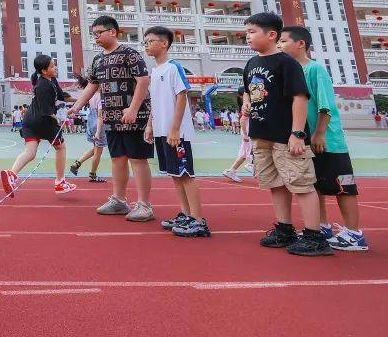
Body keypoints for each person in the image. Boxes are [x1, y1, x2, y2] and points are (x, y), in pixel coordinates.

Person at [241, 12, 329, 257]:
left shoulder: (286, 63)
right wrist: (246, 102)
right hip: (262, 134)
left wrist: (297, 133)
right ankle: (284, 228)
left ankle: (314, 235)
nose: (247, 36)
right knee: (275, 183)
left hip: (286, 135)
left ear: (271, 35)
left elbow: (299, 98)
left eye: (252, 32)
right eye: (247, 32)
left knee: (300, 183)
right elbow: (248, 90)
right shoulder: (251, 63)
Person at [280, 26, 368, 251]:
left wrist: (319, 133)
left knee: (343, 186)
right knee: (314, 185)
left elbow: (325, 105)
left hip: (329, 141)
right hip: (306, 141)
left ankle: (353, 234)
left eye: (283, 41)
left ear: (301, 44)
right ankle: (321, 227)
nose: (279, 45)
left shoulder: (315, 69)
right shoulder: (292, 72)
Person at [65, 15, 154, 222]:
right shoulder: (97, 59)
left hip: (134, 116)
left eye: (99, 33)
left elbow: (143, 81)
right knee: (117, 159)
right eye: (93, 34)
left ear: (112, 32)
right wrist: (77, 106)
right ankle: (119, 200)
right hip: (112, 117)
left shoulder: (130, 54)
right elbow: (92, 85)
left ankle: (144, 205)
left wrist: (132, 109)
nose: (95, 37)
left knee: (138, 159)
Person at [143, 26, 209, 237]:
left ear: (164, 43)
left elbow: (182, 96)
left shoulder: (173, 67)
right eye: (145, 42)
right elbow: (154, 101)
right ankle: (186, 213)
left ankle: (198, 221)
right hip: (162, 132)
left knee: (186, 174)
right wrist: (150, 125)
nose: (147, 45)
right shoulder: (154, 72)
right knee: (174, 174)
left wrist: (174, 128)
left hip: (176, 133)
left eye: (151, 41)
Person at [0, 55, 77, 197]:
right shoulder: (42, 86)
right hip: (43, 120)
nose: (55, 68)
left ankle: (11, 174)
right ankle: (60, 182)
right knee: (61, 147)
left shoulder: (51, 80)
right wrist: (61, 119)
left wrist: (80, 100)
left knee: (30, 153)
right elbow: (47, 112)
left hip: (30, 121)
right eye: (53, 66)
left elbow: (62, 96)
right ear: (44, 70)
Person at [69, 74, 107, 183]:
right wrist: (98, 133)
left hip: (90, 122)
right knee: (98, 151)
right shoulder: (101, 97)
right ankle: (92, 174)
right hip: (98, 125)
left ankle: (77, 163)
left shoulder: (91, 95)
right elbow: (100, 117)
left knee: (95, 148)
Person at [222, 107, 254, 181]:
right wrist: (245, 134)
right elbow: (242, 120)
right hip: (249, 135)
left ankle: (231, 171)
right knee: (251, 151)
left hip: (250, 134)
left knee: (243, 154)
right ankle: (251, 164)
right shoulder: (249, 107)